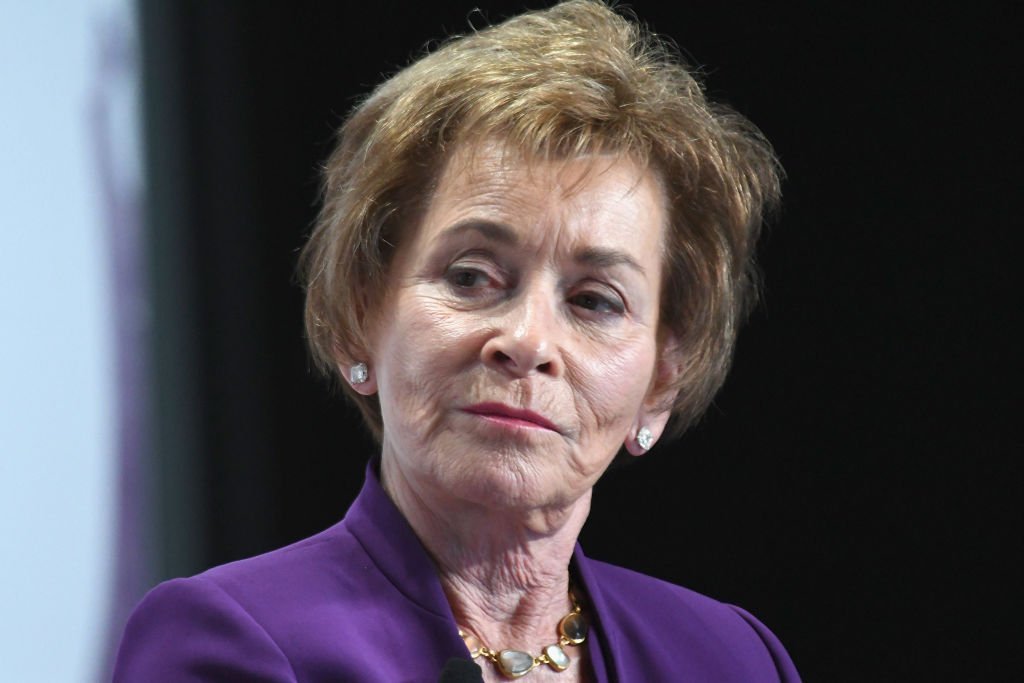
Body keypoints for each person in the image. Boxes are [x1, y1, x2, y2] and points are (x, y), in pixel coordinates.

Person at [114, 1, 797, 680]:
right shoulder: (228, 641)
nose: (528, 341)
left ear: (660, 383)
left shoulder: (730, 657)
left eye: (594, 300)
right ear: (361, 314)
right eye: (472, 276)